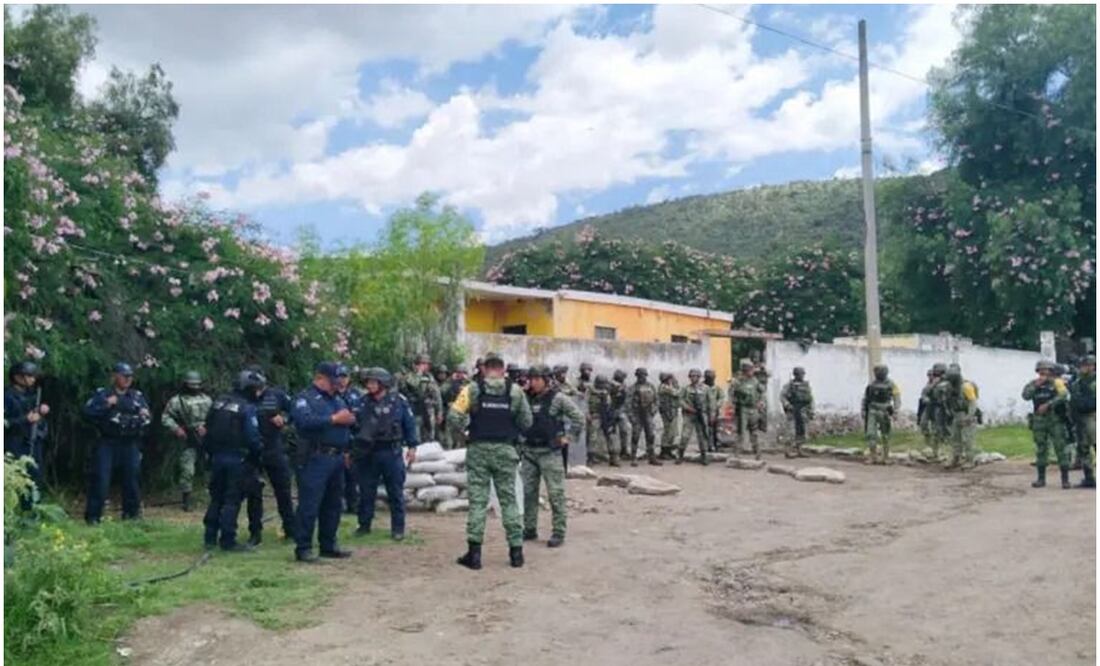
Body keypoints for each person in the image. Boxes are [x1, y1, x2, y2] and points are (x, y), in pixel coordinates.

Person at [448, 352, 532, 570]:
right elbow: (527, 421)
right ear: (503, 369)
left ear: (484, 368)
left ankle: (474, 555)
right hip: (506, 451)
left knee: (478, 501)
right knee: (509, 501)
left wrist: (465, 433)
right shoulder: (515, 391)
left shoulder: (472, 389)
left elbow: (454, 416)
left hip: (479, 451)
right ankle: (516, 553)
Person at [291, 362, 357, 562]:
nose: (337, 384)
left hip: (337, 457)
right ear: (320, 378)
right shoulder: (305, 398)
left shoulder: (338, 399)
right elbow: (304, 422)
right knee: (310, 504)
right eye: (333, 380)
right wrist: (334, 419)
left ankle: (328, 544)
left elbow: (347, 423)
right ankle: (303, 548)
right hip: (315, 457)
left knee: (333, 504)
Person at [521, 364, 584, 548]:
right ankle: (529, 528)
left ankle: (558, 531)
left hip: (550, 453)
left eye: (537, 379)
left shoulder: (558, 398)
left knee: (555, 494)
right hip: (529, 452)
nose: (533, 383)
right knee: (528, 493)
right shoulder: (525, 398)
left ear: (546, 380)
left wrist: (568, 438)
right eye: (531, 379)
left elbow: (578, 418)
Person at [202, 369, 265, 552]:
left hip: (217, 457)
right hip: (238, 458)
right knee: (232, 499)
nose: (258, 393)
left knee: (216, 498)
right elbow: (252, 438)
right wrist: (258, 455)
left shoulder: (219, 403)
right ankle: (228, 540)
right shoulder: (247, 408)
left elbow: (206, 429)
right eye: (257, 389)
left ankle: (210, 537)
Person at [352, 367, 418, 540]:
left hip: (391, 451)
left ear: (383, 383)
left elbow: (409, 424)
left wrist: (412, 446)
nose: (370, 385)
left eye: (374, 382)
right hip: (368, 452)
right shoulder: (361, 402)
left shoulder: (398, 402)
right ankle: (364, 525)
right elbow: (353, 427)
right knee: (366, 491)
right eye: (368, 382)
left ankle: (398, 529)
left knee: (395, 492)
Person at [83, 362, 151, 524]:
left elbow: (147, 418)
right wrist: (107, 404)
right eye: (124, 376)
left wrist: (144, 414)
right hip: (108, 441)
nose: (128, 379)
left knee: (132, 479)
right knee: (101, 478)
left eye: (130, 376)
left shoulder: (136, 396)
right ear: (115, 376)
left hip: (130, 442)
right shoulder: (103, 394)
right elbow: (87, 413)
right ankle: (93, 517)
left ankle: (131, 516)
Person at [248, 366, 297, 542]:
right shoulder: (244, 397)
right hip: (252, 450)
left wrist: (284, 419)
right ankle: (255, 533)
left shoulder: (277, 395)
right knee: (253, 492)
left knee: (283, 490)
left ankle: (291, 529)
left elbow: (295, 410)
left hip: (274, 447)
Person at [161, 371, 212, 512]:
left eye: (197, 385)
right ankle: (186, 500)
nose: (194, 388)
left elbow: (214, 416)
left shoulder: (207, 400)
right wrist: (176, 429)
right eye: (191, 385)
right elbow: (166, 417)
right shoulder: (177, 401)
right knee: (187, 470)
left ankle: (214, 495)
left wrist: (207, 427)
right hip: (188, 439)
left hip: (206, 438)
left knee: (212, 467)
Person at [5, 360, 49, 505]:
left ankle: (32, 509)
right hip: (14, 444)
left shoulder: (32, 395)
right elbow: (6, 423)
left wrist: (41, 411)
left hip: (32, 441)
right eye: (29, 376)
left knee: (35, 478)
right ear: (18, 377)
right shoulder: (7, 396)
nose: (32, 379)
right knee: (17, 480)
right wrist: (25, 419)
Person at [1023, 360, 1071, 489]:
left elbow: (1064, 395)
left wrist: (1048, 404)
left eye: (1045, 370)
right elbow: (1025, 396)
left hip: (1055, 419)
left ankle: (1065, 480)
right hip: (1039, 420)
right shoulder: (1034, 384)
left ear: (1051, 371)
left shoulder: (1057, 383)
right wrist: (1036, 386)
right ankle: (1041, 479)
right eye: (1040, 370)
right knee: (1041, 448)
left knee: (1060, 448)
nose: (1043, 373)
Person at [336, 365, 362, 515]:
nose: (342, 380)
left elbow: (360, 416)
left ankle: (353, 504)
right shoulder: (330, 394)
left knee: (352, 474)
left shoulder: (355, 395)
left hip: (353, 438)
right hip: (336, 437)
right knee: (337, 475)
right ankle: (338, 504)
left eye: (344, 377)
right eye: (340, 377)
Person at [862, 365, 901, 465]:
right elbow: (866, 398)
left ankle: (886, 457)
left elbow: (897, 398)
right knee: (871, 434)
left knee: (886, 434)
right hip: (872, 411)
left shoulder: (891, 384)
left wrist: (896, 411)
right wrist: (863, 410)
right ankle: (873, 456)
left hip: (885, 411)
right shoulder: (872, 384)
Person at [942, 365, 979, 470]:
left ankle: (970, 460)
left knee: (968, 439)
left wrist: (969, 416)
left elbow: (972, 402)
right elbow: (948, 401)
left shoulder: (966, 387)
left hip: (966, 414)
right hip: (956, 414)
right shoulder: (949, 387)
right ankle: (955, 458)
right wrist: (949, 412)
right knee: (955, 438)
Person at [403, 354, 443, 442]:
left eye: (427, 364)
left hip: (428, 411)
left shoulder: (430, 377)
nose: (426, 366)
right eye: (423, 363)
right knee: (416, 436)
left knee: (430, 436)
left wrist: (439, 412)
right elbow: (413, 384)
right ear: (416, 365)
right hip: (415, 410)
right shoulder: (410, 376)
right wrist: (419, 372)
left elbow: (437, 395)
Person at [1070, 355, 1096, 488]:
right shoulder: (1077, 382)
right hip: (1080, 418)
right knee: (1083, 448)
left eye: (1087, 365)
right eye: (1082, 365)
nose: (1083, 368)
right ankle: (1089, 478)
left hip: (1093, 416)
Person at [730, 360, 764, 458]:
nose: (752, 371)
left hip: (753, 408)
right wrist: (733, 405)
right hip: (742, 409)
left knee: (754, 431)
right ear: (745, 370)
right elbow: (732, 394)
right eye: (750, 370)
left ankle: (757, 452)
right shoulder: (737, 381)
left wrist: (761, 402)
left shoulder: (755, 381)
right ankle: (737, 453)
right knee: (741, 432)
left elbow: (762, 391)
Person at [627, 368, 662, 466]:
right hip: (637, 414)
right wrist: (631, 416)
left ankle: (652, 457)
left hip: (648, 414)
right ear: (637, 376)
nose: (642, 377)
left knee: (651, 435)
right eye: (640, 375)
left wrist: (654, 410)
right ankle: (633, 458)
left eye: (644, 375)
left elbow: (656, 400)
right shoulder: (633, 388)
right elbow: (628, 403)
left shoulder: (651, 386)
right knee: (635, 436)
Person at [779, 367, 814, 458]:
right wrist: (787, 405)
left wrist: (811, 410)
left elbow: (810, 398)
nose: (802, 376)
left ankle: (800, 449)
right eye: (800, 374)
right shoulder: (789, 385)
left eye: (803, 374)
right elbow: (782, 396)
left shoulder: (806, 385)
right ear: (796, 374)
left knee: (802, 431)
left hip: (803, 411)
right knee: (791, 431)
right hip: (793, 410)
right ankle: (788, 450)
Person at [678, 368, 710, 465]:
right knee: (685, 436)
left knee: (702, 436)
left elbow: (710, 401)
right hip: (689, 415)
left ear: (699, 377)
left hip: (701, 415)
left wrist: (710, 413)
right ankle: (680, 456)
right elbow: (680, 400)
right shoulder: (686, 389)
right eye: (691, 376)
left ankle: (704, 456)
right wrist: (688, 408)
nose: (693, 378)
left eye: (695, 376)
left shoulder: (706, 388)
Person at [586, 375, 615, 465]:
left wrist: (610, 420)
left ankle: (613, 458)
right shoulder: (590, 391)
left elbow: (609, 406)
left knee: (610, 436)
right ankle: (590, 458)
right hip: (595, 416)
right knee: (593, 437)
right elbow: (585, 403)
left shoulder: (606, 392)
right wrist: (587, 414)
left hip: (605, 417)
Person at [440, 365, 470, 450]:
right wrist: (450, 380)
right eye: (459, 373)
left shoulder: (468, 383)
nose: (461, 375)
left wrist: (468, 380)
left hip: (465, 413)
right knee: (449, 436)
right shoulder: (450, 382)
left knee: (462, 435)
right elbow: (441, 391)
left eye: (463, 373)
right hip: (452, 412)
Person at [609, 369, 632, 461]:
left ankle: (624, 451)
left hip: (621, 411)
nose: (624, 379)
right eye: (623, 377)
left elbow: (627, 398)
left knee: (624, 431)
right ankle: (612, 453)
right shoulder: (611, 385)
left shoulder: (623, 385)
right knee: (612, 433)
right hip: (612, 411)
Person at [657, 372, 680, 460]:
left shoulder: (668, 386)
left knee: (672, 432)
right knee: (668, 432)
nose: (671, 380)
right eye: (670, 379)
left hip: (672, 411)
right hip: (667, 412)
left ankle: (668, 451)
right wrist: (675, 383)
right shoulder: (664, 387)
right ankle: (664, 452)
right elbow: (676, 393)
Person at [703, 369, 723, 452]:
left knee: (715, 429)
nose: (710, 379)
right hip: (704, 412)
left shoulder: (717, 388)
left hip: (714, 412)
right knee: (705, 430)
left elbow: (721, 398)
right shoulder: (701, 387)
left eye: (712, 377)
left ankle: (715, 445)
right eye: (709, 377)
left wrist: (717, 405)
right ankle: (707, 446)